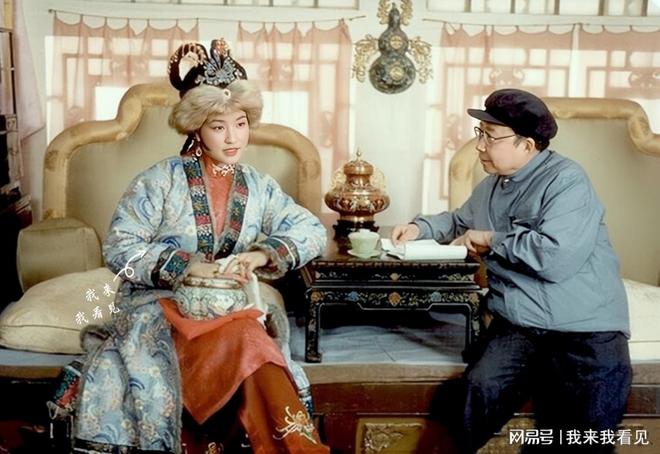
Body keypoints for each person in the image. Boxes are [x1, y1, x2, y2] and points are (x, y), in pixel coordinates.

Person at [71, 39, 329, 453]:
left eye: (240, 124)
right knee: (248, 339)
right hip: (162, 307)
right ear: (196, 128)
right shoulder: (160, 180)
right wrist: (188, 266)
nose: (233, 138)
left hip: (231, 309)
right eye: (218, 127)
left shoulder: (259, 186)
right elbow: (120, 248)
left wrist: (261, 253)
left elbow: (312, 230)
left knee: (248, 335)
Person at [391, 88, 631, 453]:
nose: (479, 146)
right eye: (480, 134)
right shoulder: (492, 185)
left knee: (583, 439)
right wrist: (419, 228)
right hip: (522, 326)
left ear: (528, 145)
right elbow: (458, 221)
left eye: (491, 137)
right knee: (475, 393)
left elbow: (555, 257)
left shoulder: (567, 181)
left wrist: (491, 238)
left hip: (585, 330)